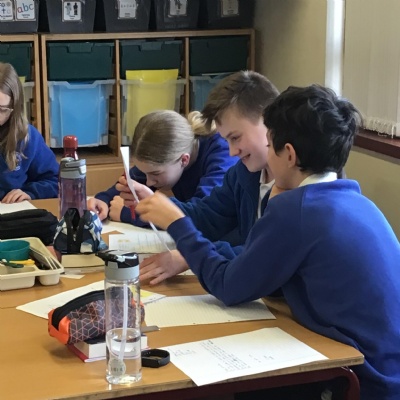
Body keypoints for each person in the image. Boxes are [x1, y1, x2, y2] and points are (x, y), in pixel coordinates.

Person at [134, 84, 400, 400]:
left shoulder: (297, 210)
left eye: (270, 145)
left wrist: (178, 224)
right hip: (387, 370)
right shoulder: (356, 201)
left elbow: (228, 286)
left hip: (362, 380)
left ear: (289, 154)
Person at [116, 71, 280, 284]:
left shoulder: (293, 189)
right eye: (227, 140)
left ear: (268, 120)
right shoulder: (242, 173)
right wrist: (158, 206)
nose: (232, 152)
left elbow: (262, 254)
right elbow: (208, 217)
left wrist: (190, 256)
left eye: (236, 137)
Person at [88, 109, 238, 223]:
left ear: (184, 160)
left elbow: (202, 215)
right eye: (145, 173)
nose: (148, 182)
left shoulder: (223, 157)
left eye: (155, 174)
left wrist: (133, 213)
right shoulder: (166, 156)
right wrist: (104, 200)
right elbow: (132, 182)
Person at [0, 62, 59, 203]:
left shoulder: (27, 137)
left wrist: (30, 193)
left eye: (1, 109)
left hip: (11, 211)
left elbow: (56, 181)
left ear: (14, 109)